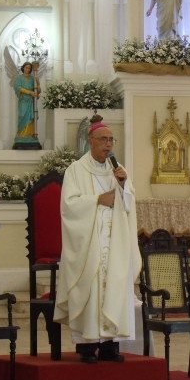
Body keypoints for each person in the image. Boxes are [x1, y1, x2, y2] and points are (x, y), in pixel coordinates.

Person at [54, 115, 141, 364]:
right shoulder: (76, 170)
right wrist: (97, 200)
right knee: (91, 288)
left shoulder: (118, 170)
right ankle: (87, 346)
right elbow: (69, 206)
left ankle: (110, 346)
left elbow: (129, 205)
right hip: (89, 243)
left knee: (114, 286)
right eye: (103, 139)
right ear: (90, 141)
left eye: (111, 139)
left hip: (114, 243)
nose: (108, 144)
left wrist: (123, 186)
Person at [13, 61, 42, 149]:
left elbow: (38, 91)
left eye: (29, 68)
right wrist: (30, 92)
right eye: (26, 67)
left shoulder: (32, 78)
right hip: (23, 101)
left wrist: (38, 83)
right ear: (23, 68)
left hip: (30, 102)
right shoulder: (19, 78)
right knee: (22, 116)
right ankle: (21, 135)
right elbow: (18, 87)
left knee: (31, 118)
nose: (27, 69)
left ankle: (30, 135)